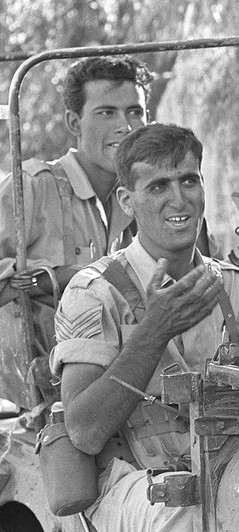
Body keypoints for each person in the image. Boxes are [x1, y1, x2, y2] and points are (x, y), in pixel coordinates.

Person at [49, 124, 239, 530]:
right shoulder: (95, 292)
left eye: (189, 180)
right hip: (129, 483)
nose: (179, 198)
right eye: (157, 186)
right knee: (187, 515)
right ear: (127, 201)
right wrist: (155, 330)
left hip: (229, 470)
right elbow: (83, 430)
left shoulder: (237, 290)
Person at [0, 56, 153, 373]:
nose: (125, 126)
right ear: (74, 124)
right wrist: (57, 279)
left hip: (116, 381)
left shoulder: (146, 196)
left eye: (135, 112)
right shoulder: (32, 188)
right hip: (34, 393)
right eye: (106, 112)